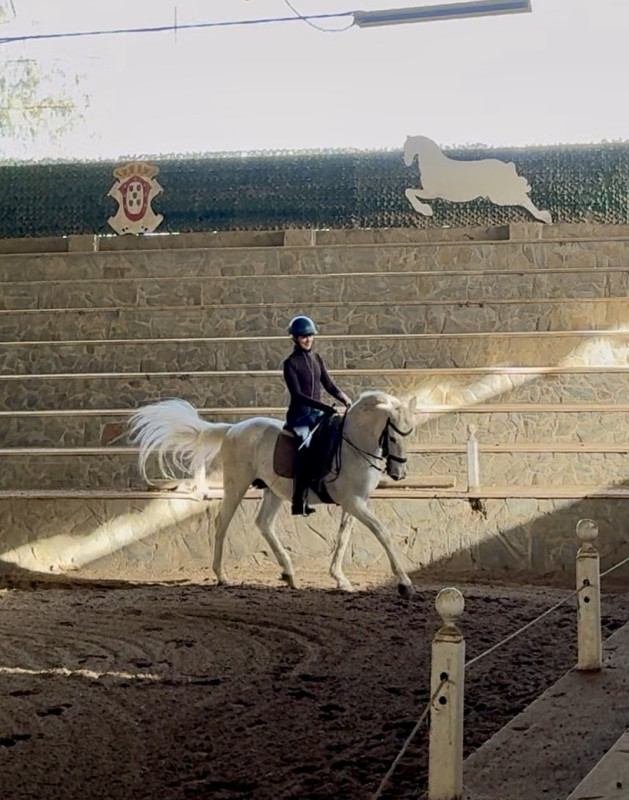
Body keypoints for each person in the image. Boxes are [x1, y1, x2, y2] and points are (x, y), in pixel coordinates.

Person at [282, 315, 352, 516]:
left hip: (319, 414)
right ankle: (298, 501)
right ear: (295, 338)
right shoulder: (290, 364)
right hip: (300, 416)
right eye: (303, 337)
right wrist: (324, 407)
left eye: (310, 336)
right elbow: (298, 396)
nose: (308, 340)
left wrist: (345, 399)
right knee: (306, 446)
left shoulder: (316, 359)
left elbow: (329, 385)